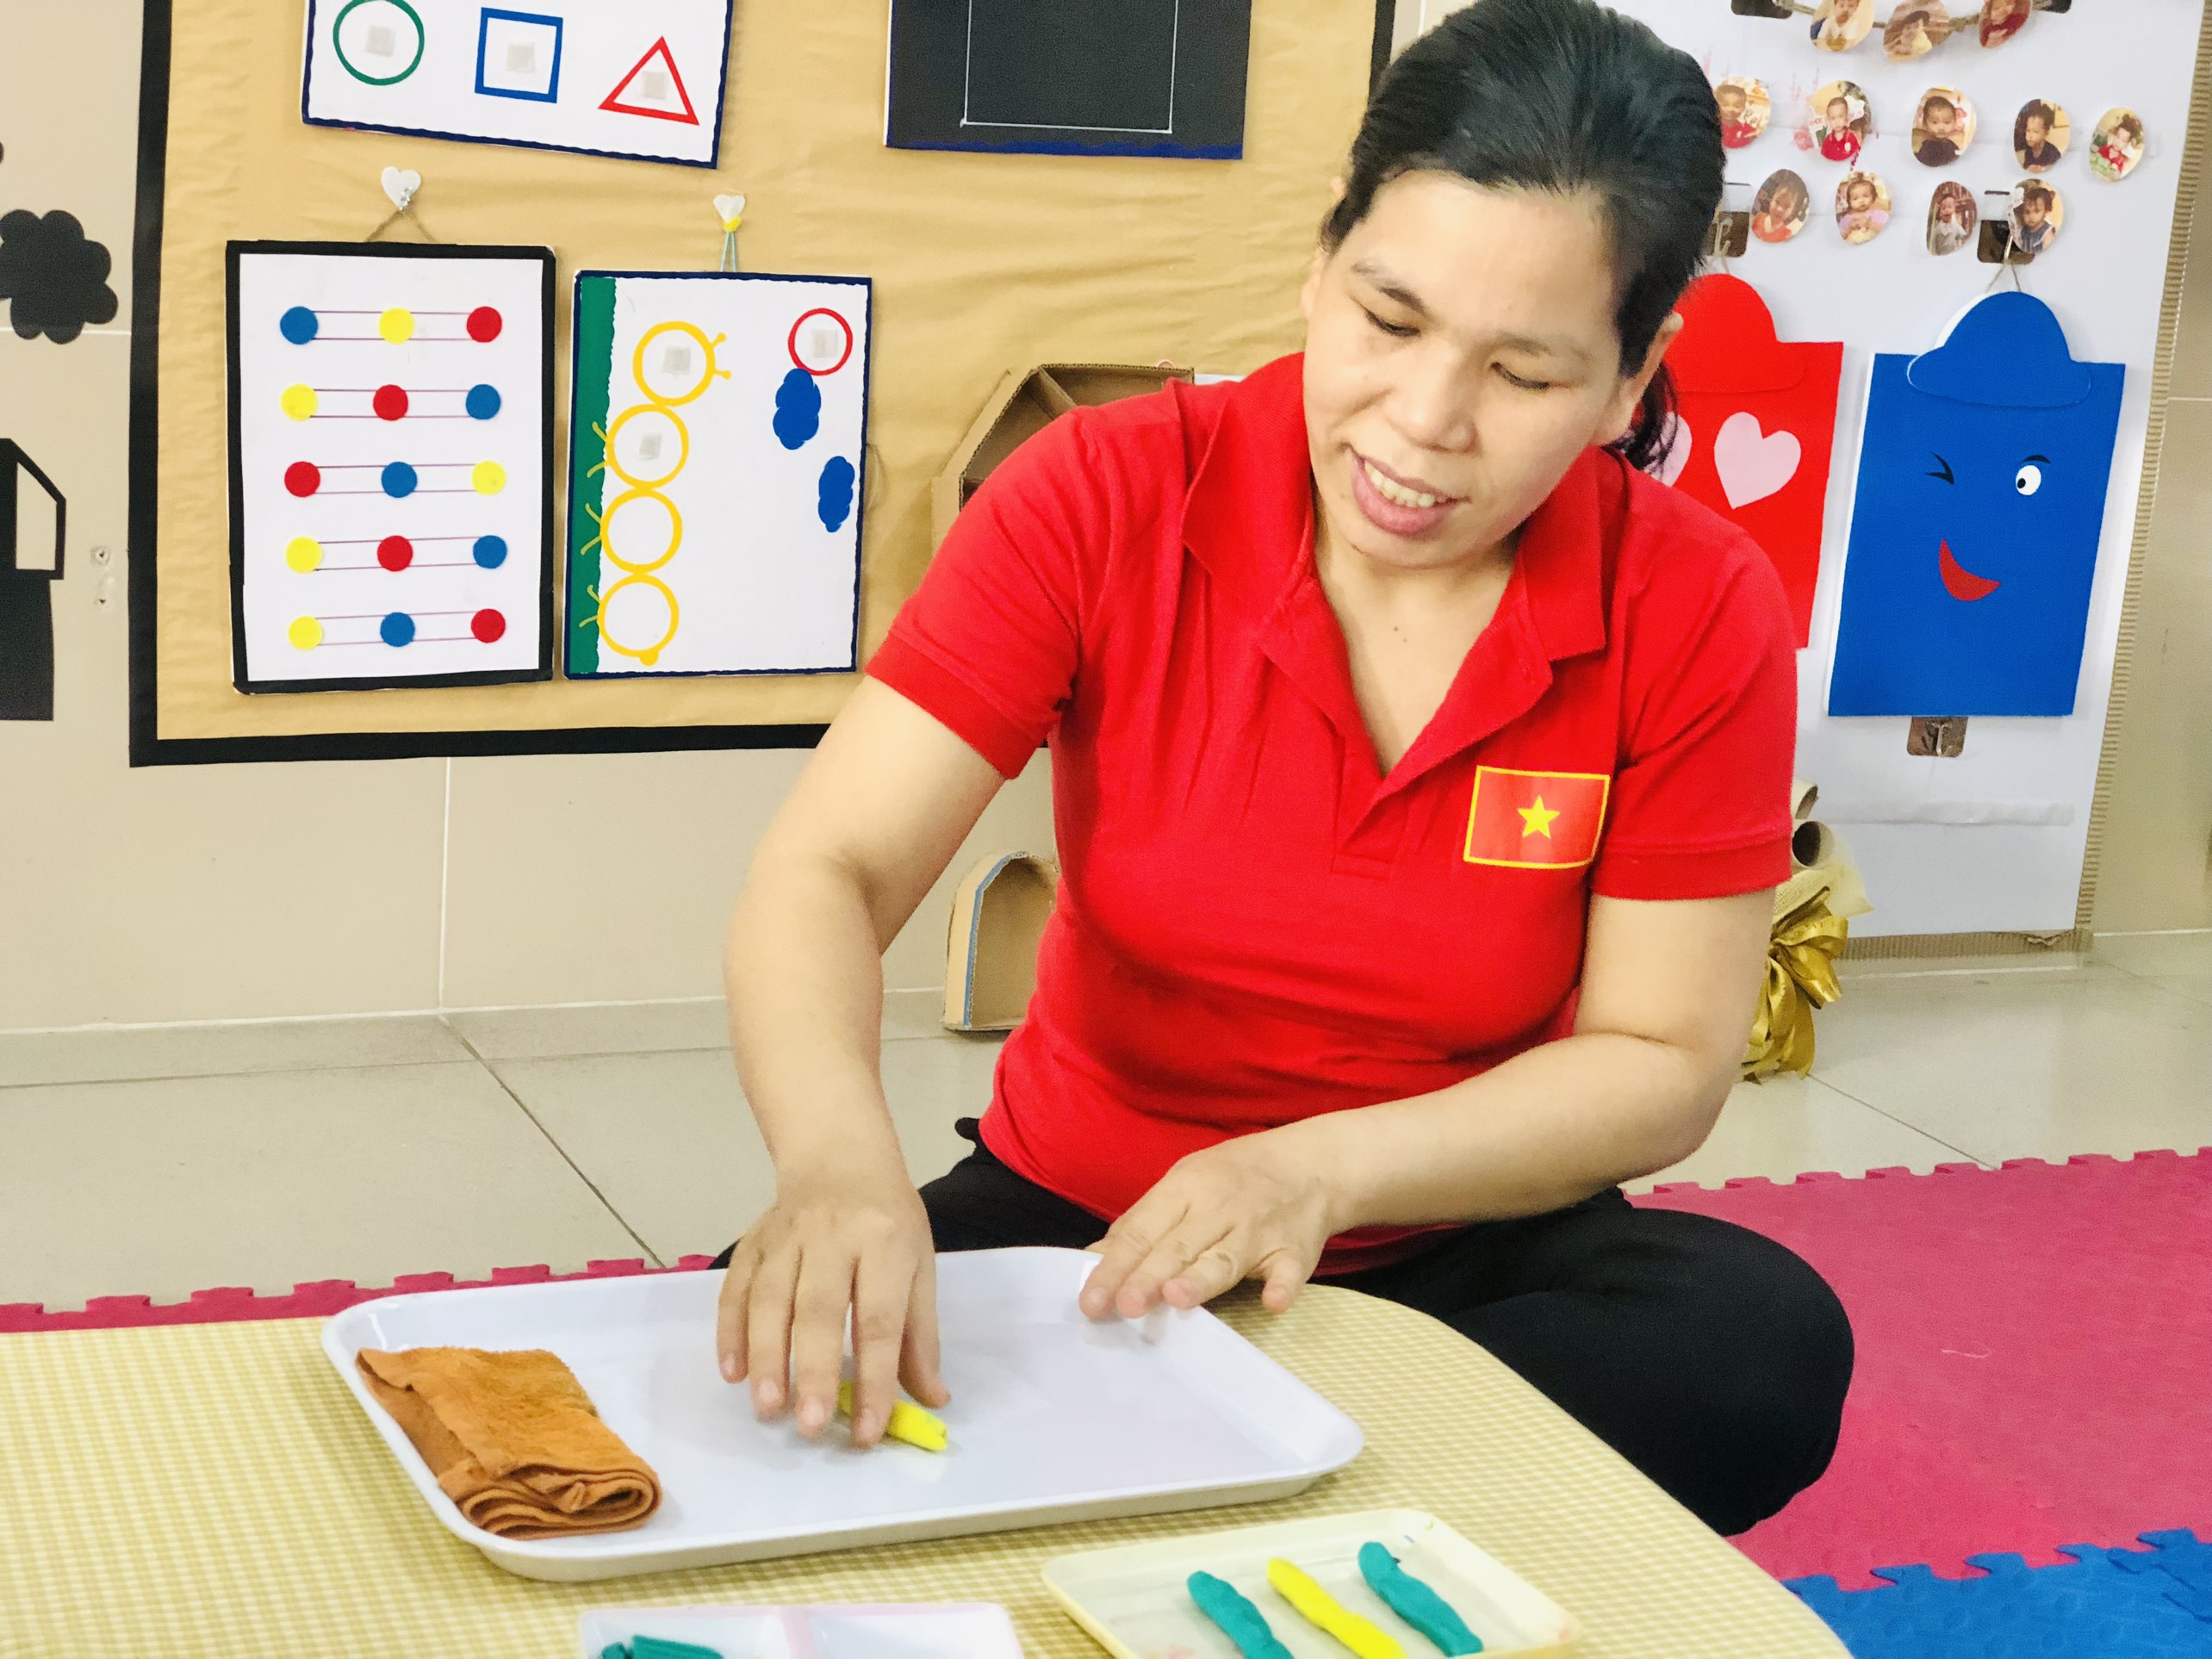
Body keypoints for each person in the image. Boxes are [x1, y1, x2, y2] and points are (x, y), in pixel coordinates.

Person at [711, 0, 1854, 1540]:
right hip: (1085, 1237)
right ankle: (1281, 1499)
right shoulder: (1102, 493)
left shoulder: (1696, 603)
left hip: (1454, 1249)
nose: (1423, 425)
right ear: (1322, 260)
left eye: (1522, 375)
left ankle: (1184, 1487)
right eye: (1387, 319)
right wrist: (839, 1169)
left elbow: (1663, 1058)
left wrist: (1318, 1173)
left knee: (1755, 1348)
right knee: (751, 1355)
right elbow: (828, 870)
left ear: (1630, 379)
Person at [1752, 173, 1807, 242]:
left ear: (1792, 212)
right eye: (1777, 202)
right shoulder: (1759, 217)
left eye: (1787, 206)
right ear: (1771, 201)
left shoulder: (1786, 235)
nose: (1779, 209)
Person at [1913, 95, 1963, 167]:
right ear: (1925, 123)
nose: (1941, 128)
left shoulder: (1954, 143)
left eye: (1947, 122)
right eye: (1934, 122)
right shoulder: (1926, 146)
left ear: (1955, 122)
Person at [1928, 181, 1976, 253]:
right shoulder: (1937, 229)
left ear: (1954, 210)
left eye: (1950, 207)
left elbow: (1963, 236)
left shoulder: (1955, 226)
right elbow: (1933, 244)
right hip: (1940, 254)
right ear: (1940, 212)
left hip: (1953, 254)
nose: (1947, 210)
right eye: (1943, 208)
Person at [2093, 112, 2144, 180]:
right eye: (2117, 137)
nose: (2118, 142)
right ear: (2114, 135)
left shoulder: (2120, 161)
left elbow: (2115, 177)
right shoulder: (2103, 149)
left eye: (2123, 141)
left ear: (2127, 144)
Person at [1837, 175, 1888, 242]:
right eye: (1855, 198)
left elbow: (1887, 230)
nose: (1861, 201)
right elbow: (1840, 236)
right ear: (1849, 202)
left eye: (1866, 196)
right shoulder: (1847, 218)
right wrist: (1849, 228)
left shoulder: (1879, 214)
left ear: (1873, 198)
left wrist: (1869, 223)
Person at [2011, 183, 2057, 255]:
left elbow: (2050, 253)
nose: (2031, 216)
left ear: (2046, 211)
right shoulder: (2024, 231)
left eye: (2036, 211)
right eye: (2027, 212)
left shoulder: (2046, 233)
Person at [2016, 102, 2062, 171]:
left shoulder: (2052, 152)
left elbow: (2058, 169)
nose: (2030, 136)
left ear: (2046, 132)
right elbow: (2025, 168)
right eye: (2028, 130)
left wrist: (2042, 169)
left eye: (2035, 131)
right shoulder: (2028, 150)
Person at [1718, 80, 1761, 148]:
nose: (1730, 109)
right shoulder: (1710, 126)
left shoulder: (1747, 130)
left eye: (1737, 106)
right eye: (1725, 105)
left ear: (1744, 107)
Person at [1818, 96, 1862, 164]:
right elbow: (1823, 160)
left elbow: (1858, 156)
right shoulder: (1827, 141)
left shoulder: (1851, 137)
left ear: (1846, 117)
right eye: (1833, 118)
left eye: (1840, 116)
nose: (1837, 122)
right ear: (1828, 120)